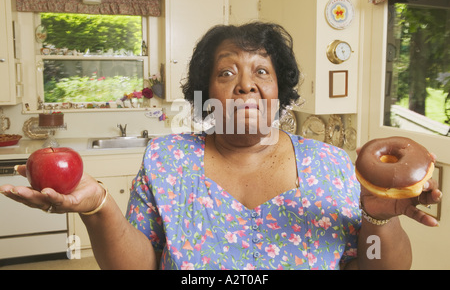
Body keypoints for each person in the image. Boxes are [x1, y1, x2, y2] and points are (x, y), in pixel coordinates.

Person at [0, 22, 442, 270]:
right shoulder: (167, 159)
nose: (246, 84)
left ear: (280, 91)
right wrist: (99, 208)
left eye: (261, 72)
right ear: (206, 94)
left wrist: (379, 218)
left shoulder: (331, 164)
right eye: (227, 73)